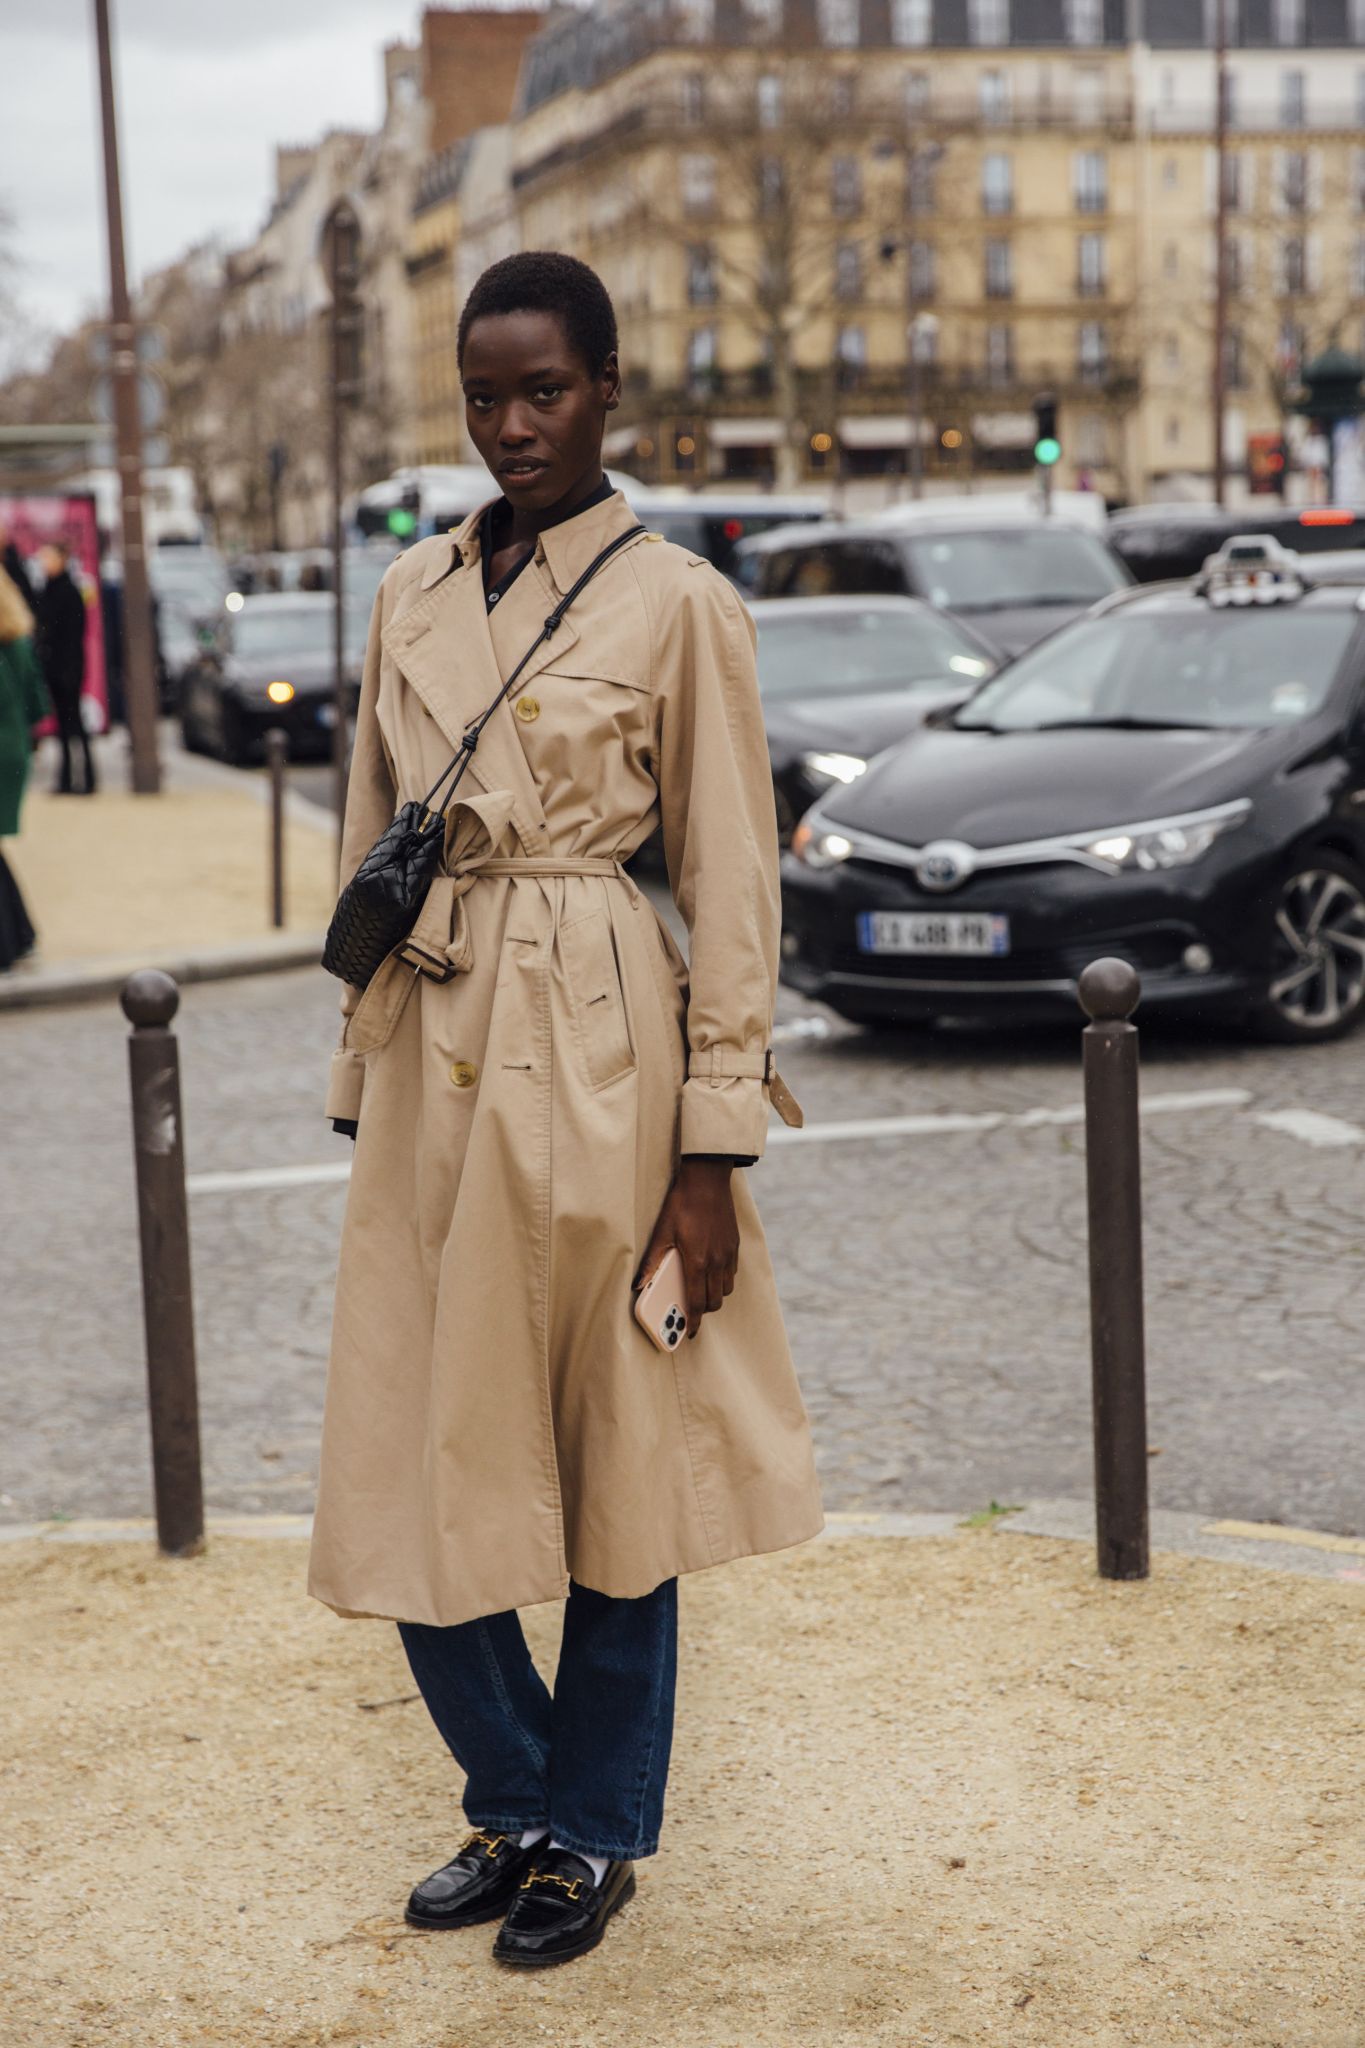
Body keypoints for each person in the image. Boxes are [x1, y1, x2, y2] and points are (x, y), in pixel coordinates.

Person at [309, 251, 823, 1969]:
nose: (513, 423)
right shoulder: (407, 593)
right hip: (431, 1049)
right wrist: (352, 1069)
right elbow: (371, 835)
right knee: (402, 1453)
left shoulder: (679, 602)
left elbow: (733, 886)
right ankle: (516, 1788)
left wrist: (715, 1152)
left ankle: (590, 1831)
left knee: (622, 1458)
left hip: (603, 1040)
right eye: (485, 393)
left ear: (609, 388)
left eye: (545, 389)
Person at [0, 564, 49, 967]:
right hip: (13, 750)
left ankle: (12, 941)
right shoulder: (17, 641)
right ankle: (20, 935)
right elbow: (37, 702)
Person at [33, 540, 96, 795]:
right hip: (56, 667)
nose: (43, 564)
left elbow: (72, 635)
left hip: (67, 668)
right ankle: (67, 778)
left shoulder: (69, 591)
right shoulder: (49, 589)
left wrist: (69, 669)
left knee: (74, 726)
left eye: (48, 558)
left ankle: (86, 778)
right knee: (64, 726)